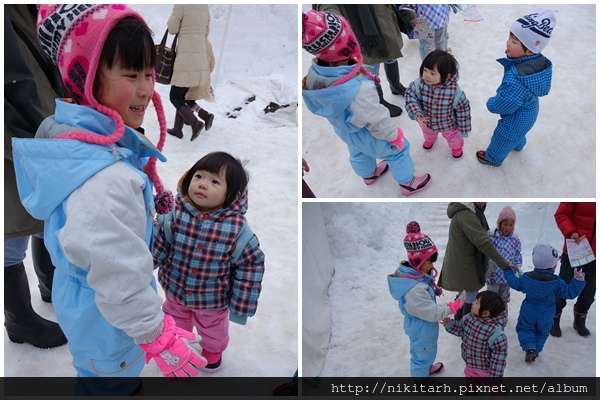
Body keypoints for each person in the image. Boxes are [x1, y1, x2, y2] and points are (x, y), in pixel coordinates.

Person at [12, 5, 207, 391]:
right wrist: (158, 337)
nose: (146, 89)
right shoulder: (104, 180)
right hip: (108, 325)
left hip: (90, 310)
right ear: (85, 81)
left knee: (96, 379)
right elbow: (119, 276)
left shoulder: (75, 136)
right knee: (112, 386)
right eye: (131, 75)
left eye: (149, 74)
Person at [153, 151, 266, 371]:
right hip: (175, 290)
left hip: (213, 300)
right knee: (174, 324)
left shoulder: (237, 229)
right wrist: (141, 267)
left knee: (213, 331)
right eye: (199, 176)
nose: (203, 184)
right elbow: (158, 243)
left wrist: (241, 304)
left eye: (215, 181)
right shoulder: (174, 214)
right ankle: (179, 347)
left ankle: (212, 353)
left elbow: (251, 265)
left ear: (232, 195)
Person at [302, 10, 432, 197]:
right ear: (346, 45)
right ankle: (408, 183)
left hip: (345, 129)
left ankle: (368, 174)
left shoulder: (316, 74)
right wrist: (393, 136)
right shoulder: (357, 88)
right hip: (368, 132)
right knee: (398, 150)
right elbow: (375, 118)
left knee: (358, 151)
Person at [4, 4, 67, 350]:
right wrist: (30, 139)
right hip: (16, 129)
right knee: (13, 223)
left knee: (45, 211)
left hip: (38, 120)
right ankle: (19, 319)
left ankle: (51, 285)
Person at [476, 9, 555, 166]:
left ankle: (493, 158)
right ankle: (518, 145)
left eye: (514, 42)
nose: (508, 43)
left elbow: (506, 102)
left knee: (504, 136)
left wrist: (492, 103)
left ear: (530, 49)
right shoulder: (537, 62)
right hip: (530, 111)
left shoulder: (517, 78)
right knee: (518, 134)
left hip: (517, 117)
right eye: (510, 38)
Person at [387, 221, 466, 380]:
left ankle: (426, 367)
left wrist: (431, 288)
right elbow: (431, 312)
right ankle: (420, 379)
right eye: (429, 262)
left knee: (426, 349)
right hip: (421, 326)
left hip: (423, 325)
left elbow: (424, 296)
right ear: (417, 262)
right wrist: (453, 307)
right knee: (421, 352)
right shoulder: (415, 289)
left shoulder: (417, 278)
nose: (431, 266)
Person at [313, 4, 408, 117]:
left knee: (391, 55)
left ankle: (396, 86)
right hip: (362, 30)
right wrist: (334, 19)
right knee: (372, 67)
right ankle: (379, 100)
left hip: (386, 20)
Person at [504, 244, 585, 362]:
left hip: (528, 310)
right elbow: (570, 293)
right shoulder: (557, 282)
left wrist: (508, 271)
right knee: (542, 332)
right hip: (547, 313)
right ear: (553, 266)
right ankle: (536, 349)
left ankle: (529, 348)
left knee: (524, 328)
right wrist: (578, 281)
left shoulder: (527, 278)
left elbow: (514, 283)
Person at [438, 203, 515, 320]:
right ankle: (466, 327)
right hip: (466, 265)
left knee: (463, 295)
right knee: (469, 298)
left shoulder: (473, 212)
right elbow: (483, 242)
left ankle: (459, 322)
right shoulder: (466, 214)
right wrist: (503, 263)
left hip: (465, 263)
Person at [404, 50, 471, 160]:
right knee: (428, 133)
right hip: (427, 121)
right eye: (425, 70)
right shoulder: (418, 85)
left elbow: (463, 110)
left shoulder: (454, 92)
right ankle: (430, 139)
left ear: (447, 76)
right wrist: (416, 112)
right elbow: (409, 96)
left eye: (432, 73)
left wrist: (463, 128)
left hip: (448, 124)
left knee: (454, 138)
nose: (426, 75)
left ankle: (456, 147)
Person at [166, 4, 215, 141]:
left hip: (185, 59)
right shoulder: (204, 6)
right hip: (199, 58)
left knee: (175, 96)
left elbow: (172, 28)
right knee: (182, 95)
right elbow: (206, 32)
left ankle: (195, 123)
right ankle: (177, 129)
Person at [551, 202, 596, 337]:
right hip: (575, 250)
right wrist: (571, 232)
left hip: (595, 255)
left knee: (589, 290)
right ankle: (554, 318)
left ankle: (580, 319)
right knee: (562, 286)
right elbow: (561, 214)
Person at [441, 291, 508, 378]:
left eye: (476, 303)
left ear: (485, 313)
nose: (473, 303)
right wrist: (450, 324)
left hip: (486, 371)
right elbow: (461, 330)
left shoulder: (495, 333)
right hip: (470, 364)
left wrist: (495, 376)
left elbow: (499, 357)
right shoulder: (469, 317)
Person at [486, 206, 523, 303]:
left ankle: (502, 314)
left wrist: (518, 266)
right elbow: (488, 254)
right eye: (505, 224)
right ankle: (490, 315)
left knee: (504, 297)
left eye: (511, 225)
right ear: (499, 224)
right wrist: (489, 271)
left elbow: (517, 254)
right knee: (491, 297)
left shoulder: (515, 240)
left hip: (507, 275)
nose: (508, 228)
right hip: (494, 274)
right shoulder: (494, 238)